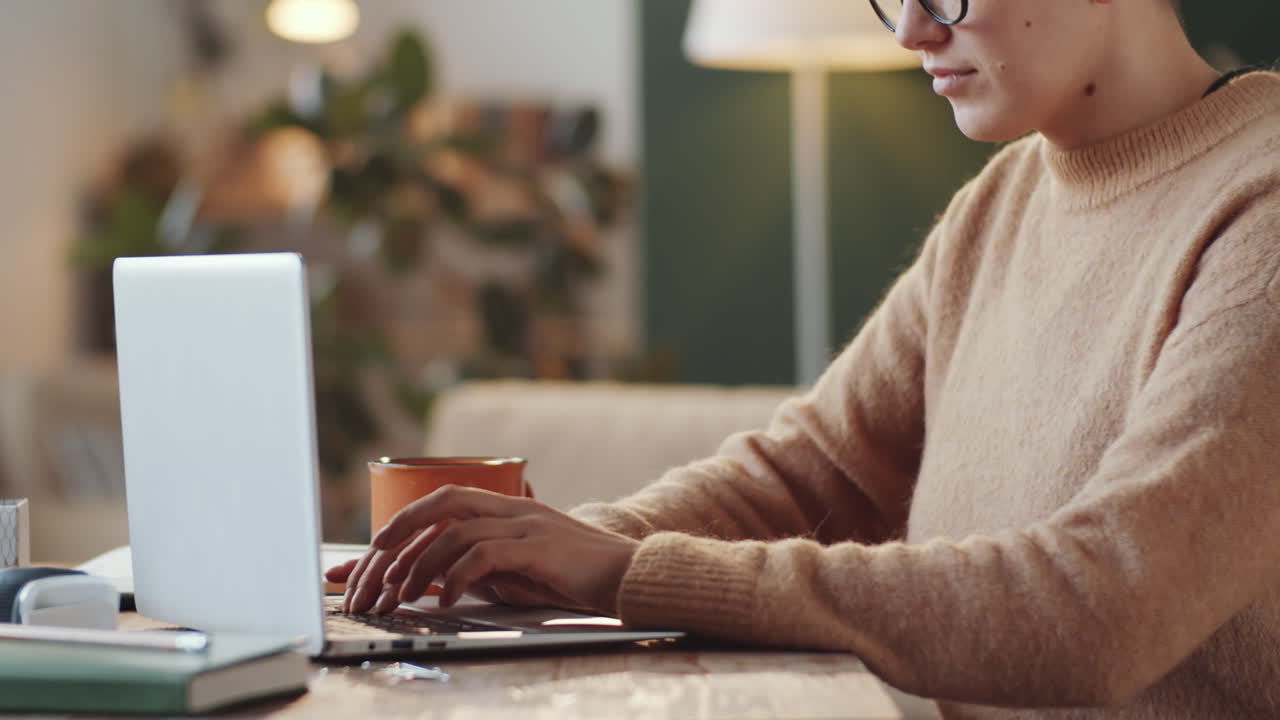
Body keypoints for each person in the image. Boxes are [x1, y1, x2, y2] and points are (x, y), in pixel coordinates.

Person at [327, 0, 1280, 716]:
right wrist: (551, 554)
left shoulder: (1260, 206)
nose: (910, 30)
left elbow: (1103, 603)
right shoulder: (1002, 204)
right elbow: (807, 469)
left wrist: (624, 574)